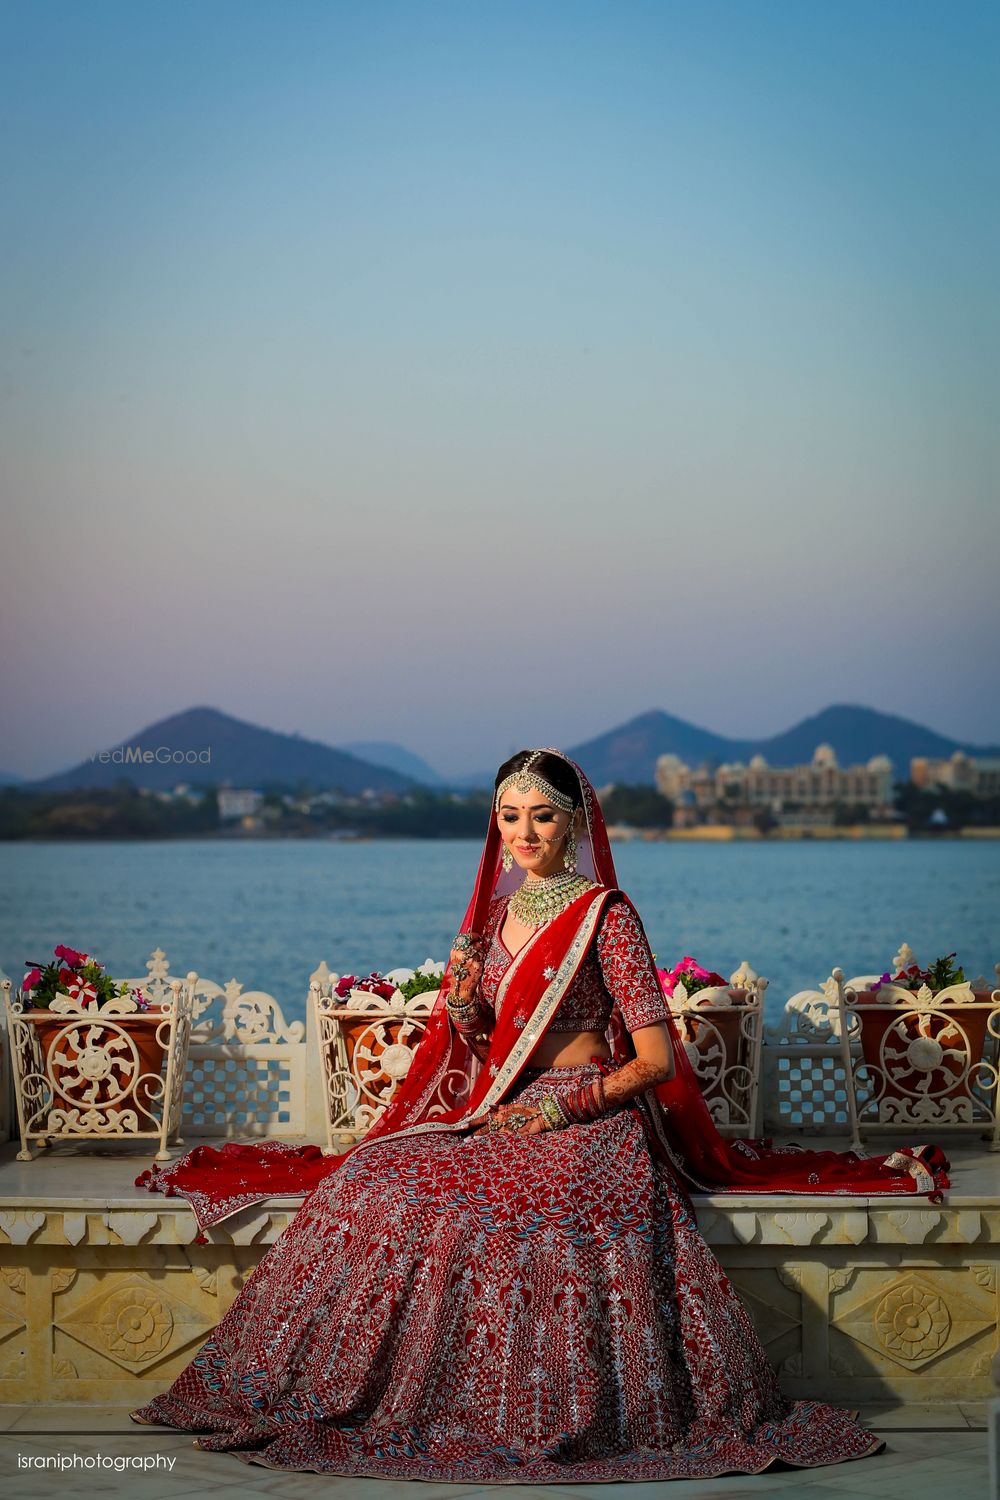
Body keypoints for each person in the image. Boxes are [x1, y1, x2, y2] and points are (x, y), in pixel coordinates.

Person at [130, 748, 949, 1483]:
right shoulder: (497, 917)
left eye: (543, 815)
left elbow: (655, 1062)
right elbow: (487, 1043)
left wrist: (566, 1115)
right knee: (375, 1177)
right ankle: (339, 1394)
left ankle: (532, 1413)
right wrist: (460, 996)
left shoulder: (606, 914)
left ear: (576, 821)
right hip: (509, 1104)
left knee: (519, 1211)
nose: (524, 832)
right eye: (509, 816)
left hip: (591, 1117)